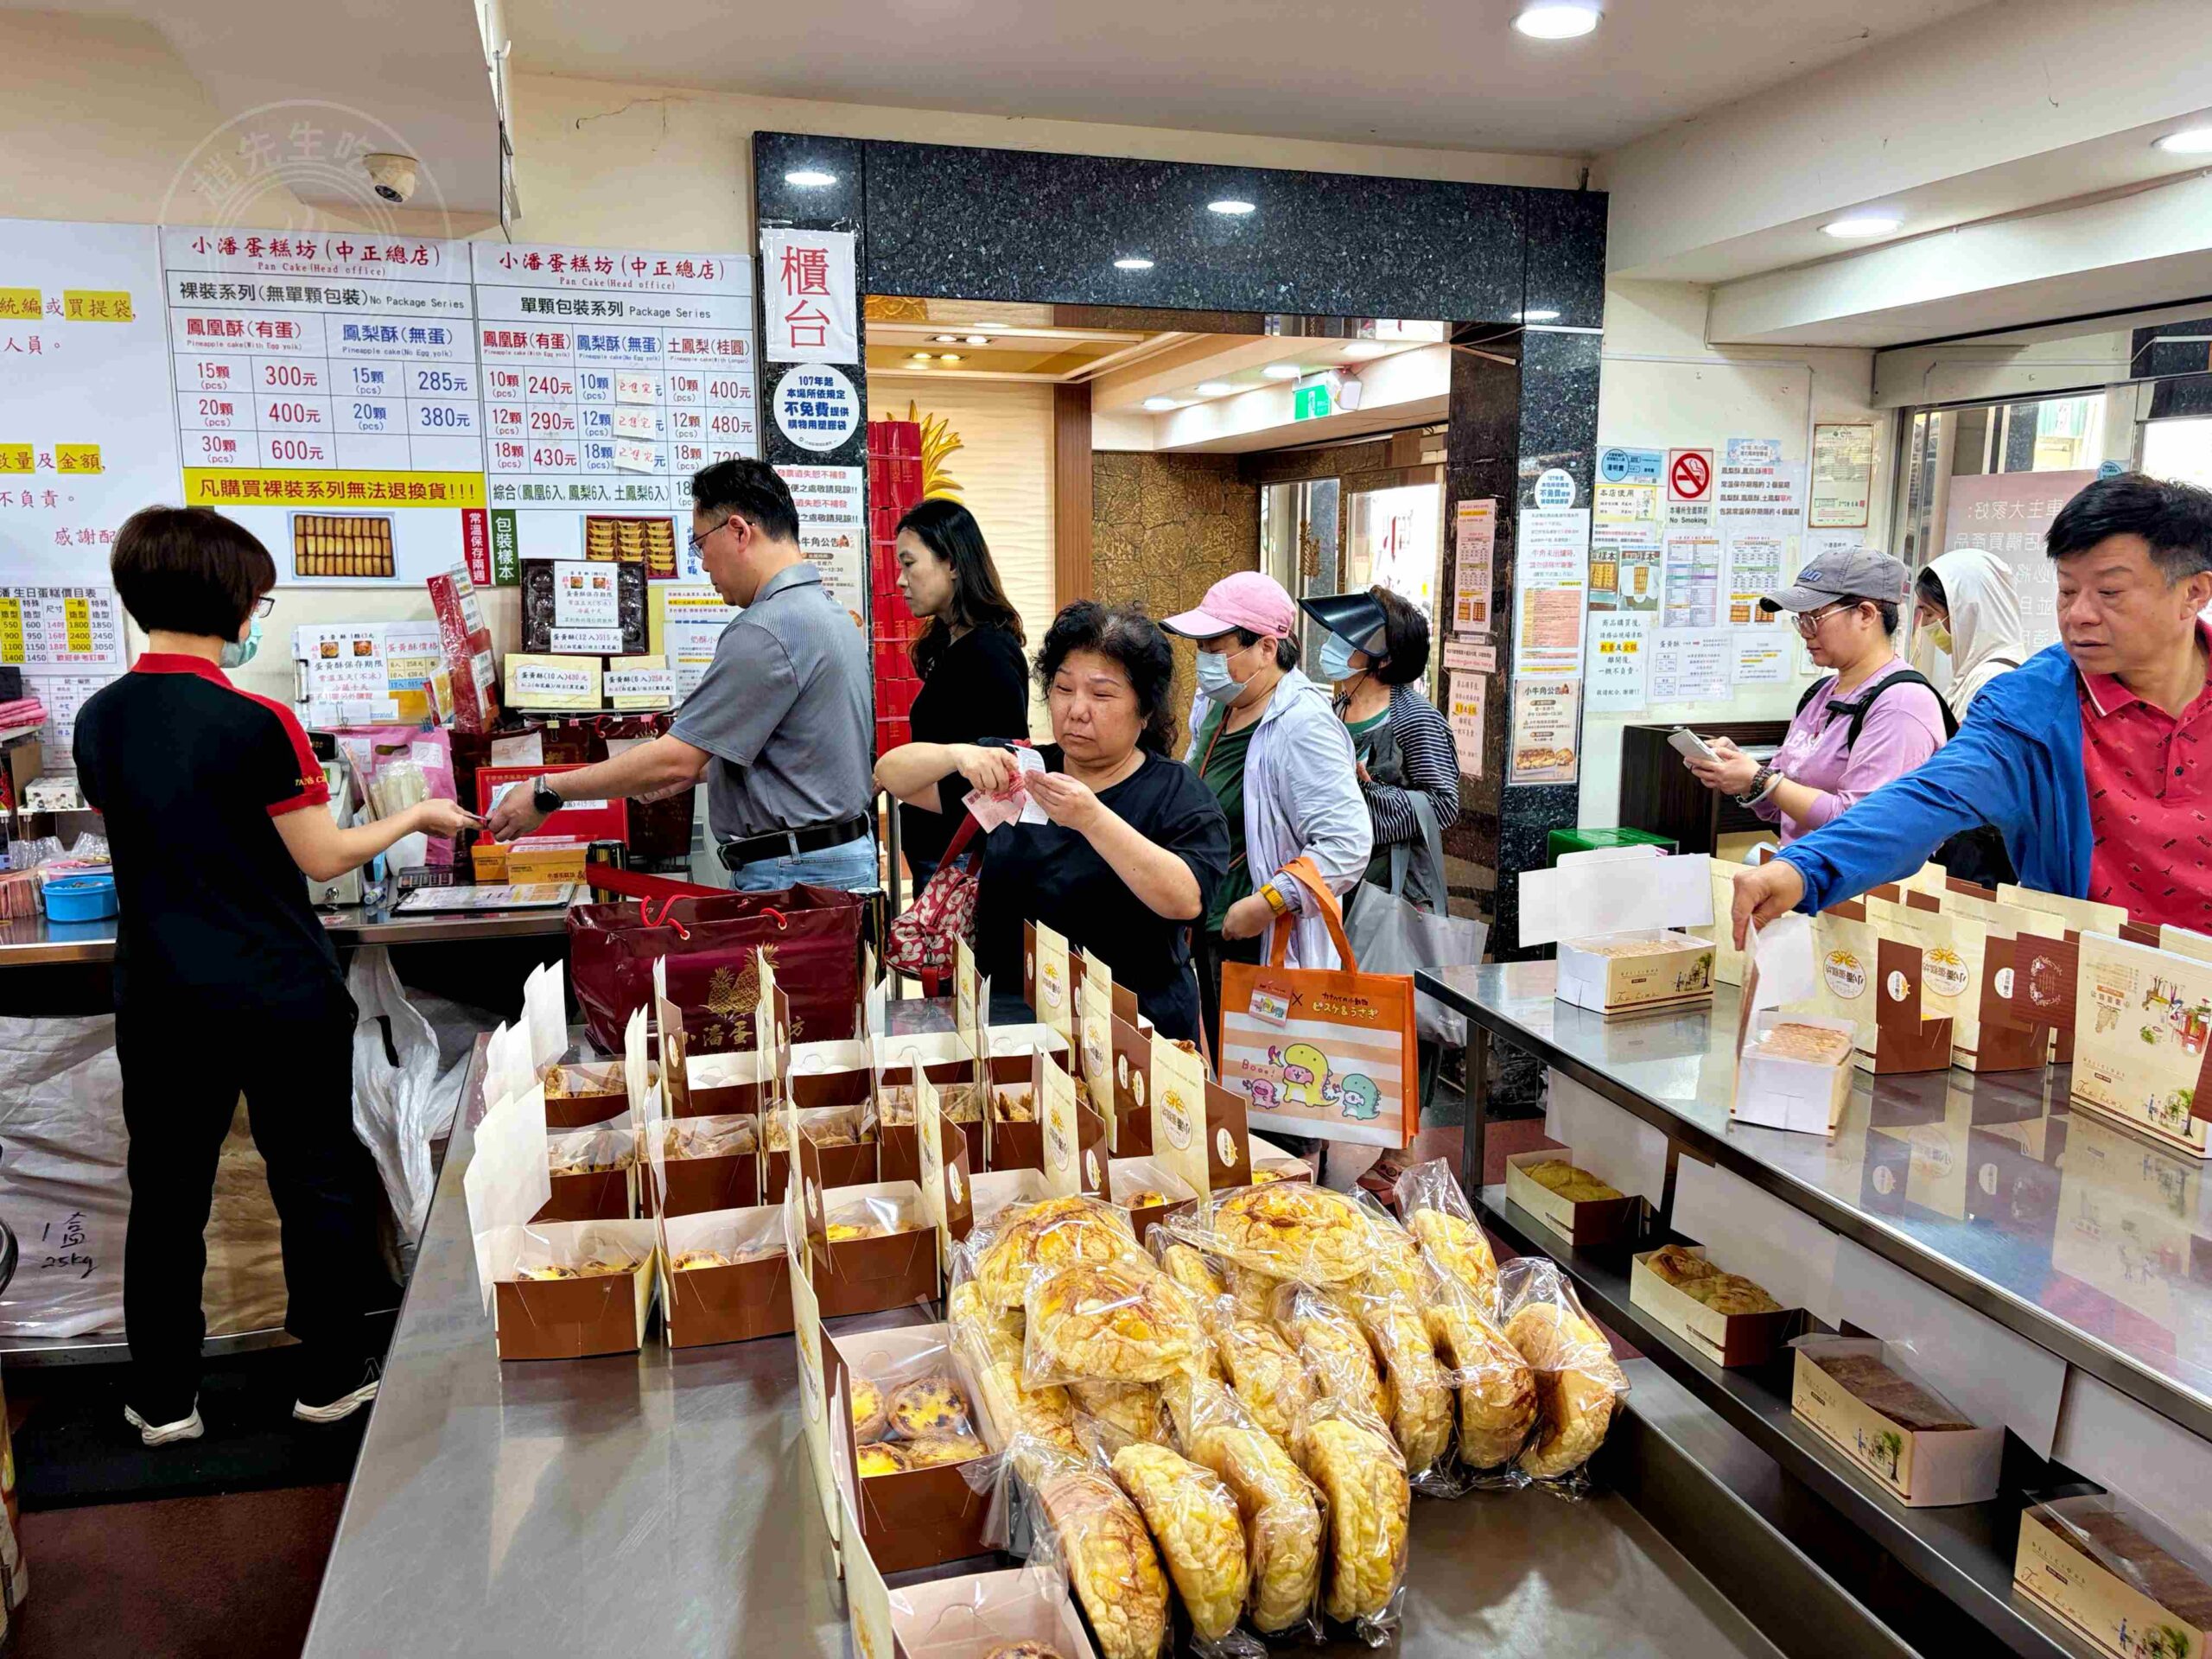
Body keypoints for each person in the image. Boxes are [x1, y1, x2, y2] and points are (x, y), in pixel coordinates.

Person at [74, 506, 480, 1446]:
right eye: (257, 597)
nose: (260, 613)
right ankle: (330, 1377)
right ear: (227, 600)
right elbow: (324, 856)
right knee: (313, 1180)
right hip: (276, 991)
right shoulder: (260, 720)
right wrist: (414, 818)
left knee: (169, 1193)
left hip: (163, 992)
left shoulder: (99, 719)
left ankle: (165, 1399)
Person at [1732, 474, 2212, 939]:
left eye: (2109, 592)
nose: (2078, 614)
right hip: (2090, 984)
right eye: (2066, 590)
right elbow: (1925, 799)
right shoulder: (2030, 706)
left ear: (2193, 592)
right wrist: (1805, 868)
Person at [487, 460, 876, 891]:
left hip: (797, 873)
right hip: (832, 862)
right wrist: (694, 773)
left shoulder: (766, 628)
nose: (704, 564)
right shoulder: (831, 614)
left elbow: (675, 760)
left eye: (700, 544)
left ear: (739, 531)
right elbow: (799, 756)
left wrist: (547, 791)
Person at [874, 601, 1229, 1042]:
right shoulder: (1020, 769)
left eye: (1101, 695)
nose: (1077, 710)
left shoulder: (1177, 794)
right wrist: (956, 754)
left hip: (1135, 1032)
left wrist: (1092, 818)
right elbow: (891, 773)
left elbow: (1186, 900)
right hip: (1011, 1024)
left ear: (1145, 711)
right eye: (1063, 689)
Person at [1160, 573, 1371, 1052]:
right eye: (1201, 648)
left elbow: (1346, 844)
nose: (1206, 661)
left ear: (1267, 649)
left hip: (1259, 940)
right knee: (1232, 1083)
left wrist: (1264, 905)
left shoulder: (1303, 724)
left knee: (1276, 1090)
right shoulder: (1219, 703)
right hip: (1211, 930)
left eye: (1218, 648)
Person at [1682, 549, 1947, 846]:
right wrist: (1744, 774)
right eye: (1801, 620)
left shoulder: (1902, 704)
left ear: (1866, 614)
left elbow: (1863, 826)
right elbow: (1778, 809)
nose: (1805, 632)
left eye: (1815, 617)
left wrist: (1762, 779)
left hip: (1857, 886)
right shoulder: (1819, 694)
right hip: (1803, 876)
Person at [892, 499, 1029, 889]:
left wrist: (905, 779)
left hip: (965, 858)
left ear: (951, 563)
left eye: (909, 563)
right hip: (941, 852)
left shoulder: (990, 651)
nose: (901, 580)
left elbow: (1001, 768)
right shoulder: (950, 644)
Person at [1300, 586, 1460, 911]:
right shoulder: (1337, 708)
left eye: (1349, 640)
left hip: (1394, 895)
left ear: (1383, 658)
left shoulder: (1417, 718)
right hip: (1339, 881)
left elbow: (1443, 804)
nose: (1333, 644)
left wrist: (1368, 794)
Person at [1911, 545, 2028, 720]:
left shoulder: (1993, 679)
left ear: (1967, 612)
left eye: (1929, 613)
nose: (1925, 625)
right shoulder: (1974, 673)